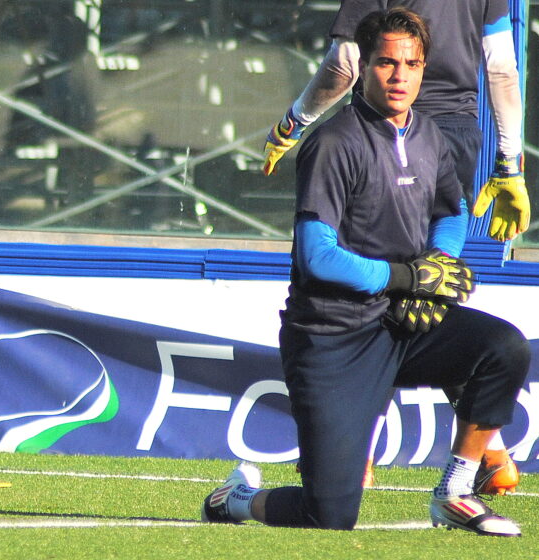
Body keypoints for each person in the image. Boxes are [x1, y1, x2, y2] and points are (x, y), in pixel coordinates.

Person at [202, 8, 529, 535]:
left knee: (506, 347)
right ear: (363, 68)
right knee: (329, 516)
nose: (400, 76)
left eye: (412, 63)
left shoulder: (430, 135)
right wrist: (407, 278)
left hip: (402, 322)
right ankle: (237, 499)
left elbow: (450, 210)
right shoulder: (333, 142)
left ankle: (456, 491)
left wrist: (439, 263)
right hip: (334, 337)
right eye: (386, 63)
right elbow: (317, 255)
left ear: (426, 68)